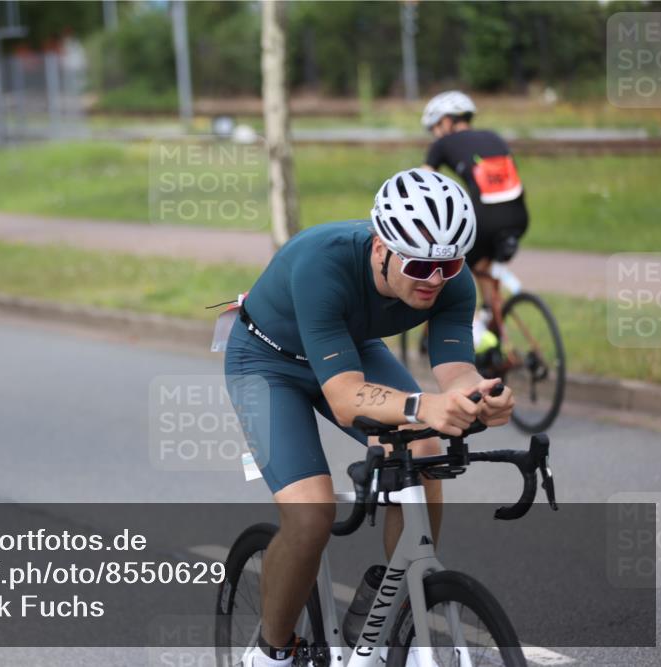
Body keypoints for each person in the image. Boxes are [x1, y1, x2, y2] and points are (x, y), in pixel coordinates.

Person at [224, 168, 515, 666]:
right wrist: (425, 405)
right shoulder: (323, 261)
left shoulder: (448, 277)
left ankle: (390, 619)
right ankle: (272, 651)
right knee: (312, 516)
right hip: (267, 364)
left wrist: (481, 397)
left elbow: (456, 371)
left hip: (347, 350)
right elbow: (344, 397)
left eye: (449, 265)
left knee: (424, 449)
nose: (436, 280)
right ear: (381, 249)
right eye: (421, 268)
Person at [420, 91, 530, 351]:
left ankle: (477, 334)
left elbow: (423, 187)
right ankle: (493, 327)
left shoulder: (442, 144)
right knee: (481, 263)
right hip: (519, 217)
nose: (435, 134)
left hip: (485, 219)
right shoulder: (494, 137)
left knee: (453, 267)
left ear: (446, 122)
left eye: (435, 126)